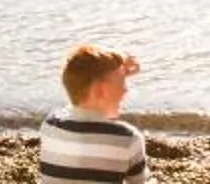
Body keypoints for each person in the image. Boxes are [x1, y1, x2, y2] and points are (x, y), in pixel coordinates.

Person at [38, 45, 147, 184]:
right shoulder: (128, 139)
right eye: (122, 82)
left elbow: (91, 89)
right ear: (100, 90)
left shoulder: (50, 125)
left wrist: (115, 73)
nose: (125, 90)